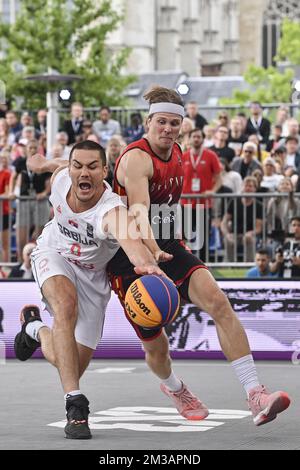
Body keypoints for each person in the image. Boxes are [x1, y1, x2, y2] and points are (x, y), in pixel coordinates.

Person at [107, 86, 290, 427]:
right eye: (161, 122)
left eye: (174, 124)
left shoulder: (177, 152)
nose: (168, 129)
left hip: (167, 244)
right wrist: (152, 249)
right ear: (149, 122)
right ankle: (175, 388)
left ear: (182, 128)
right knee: (157, 347)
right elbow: (138, 211)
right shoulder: (136, 158)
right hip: (127, 252)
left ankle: (256, 395)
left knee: (219, 301)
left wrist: (165, 246)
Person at [14, 140, 165, 440]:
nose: (85, 173)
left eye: (93, 167)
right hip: (52, 253)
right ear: (69, 168)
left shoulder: (110, 211)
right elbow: (48, 163)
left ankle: (34, 330)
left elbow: (130, 241)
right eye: (78, 166)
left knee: (66, 360)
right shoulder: (60, 179)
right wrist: (36, 161)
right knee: (65, 307)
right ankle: (75, 404)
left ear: (104, 171)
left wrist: (147, 265)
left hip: (93, 279)